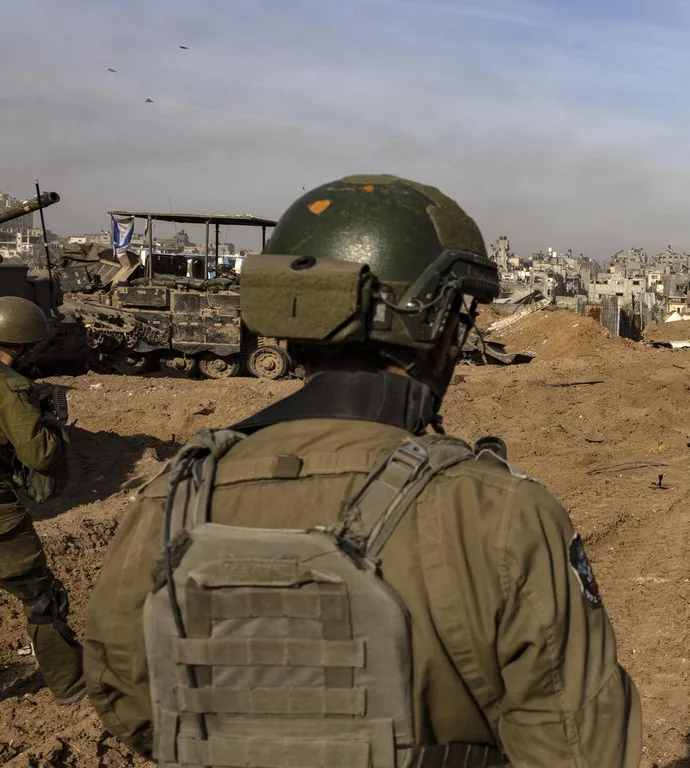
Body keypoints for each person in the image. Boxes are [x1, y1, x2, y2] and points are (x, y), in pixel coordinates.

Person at [82, 175, 644, 766]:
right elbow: (581, 747)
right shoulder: (497, 517)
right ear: (438, 326)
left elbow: (128, 700)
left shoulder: (172, 500)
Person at [0, 297, 82, 706]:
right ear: (23, 344)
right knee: (42, 598)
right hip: (2, 523)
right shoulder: (8, 388)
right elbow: (40, 455)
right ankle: (70, 685)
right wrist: (55, 426)